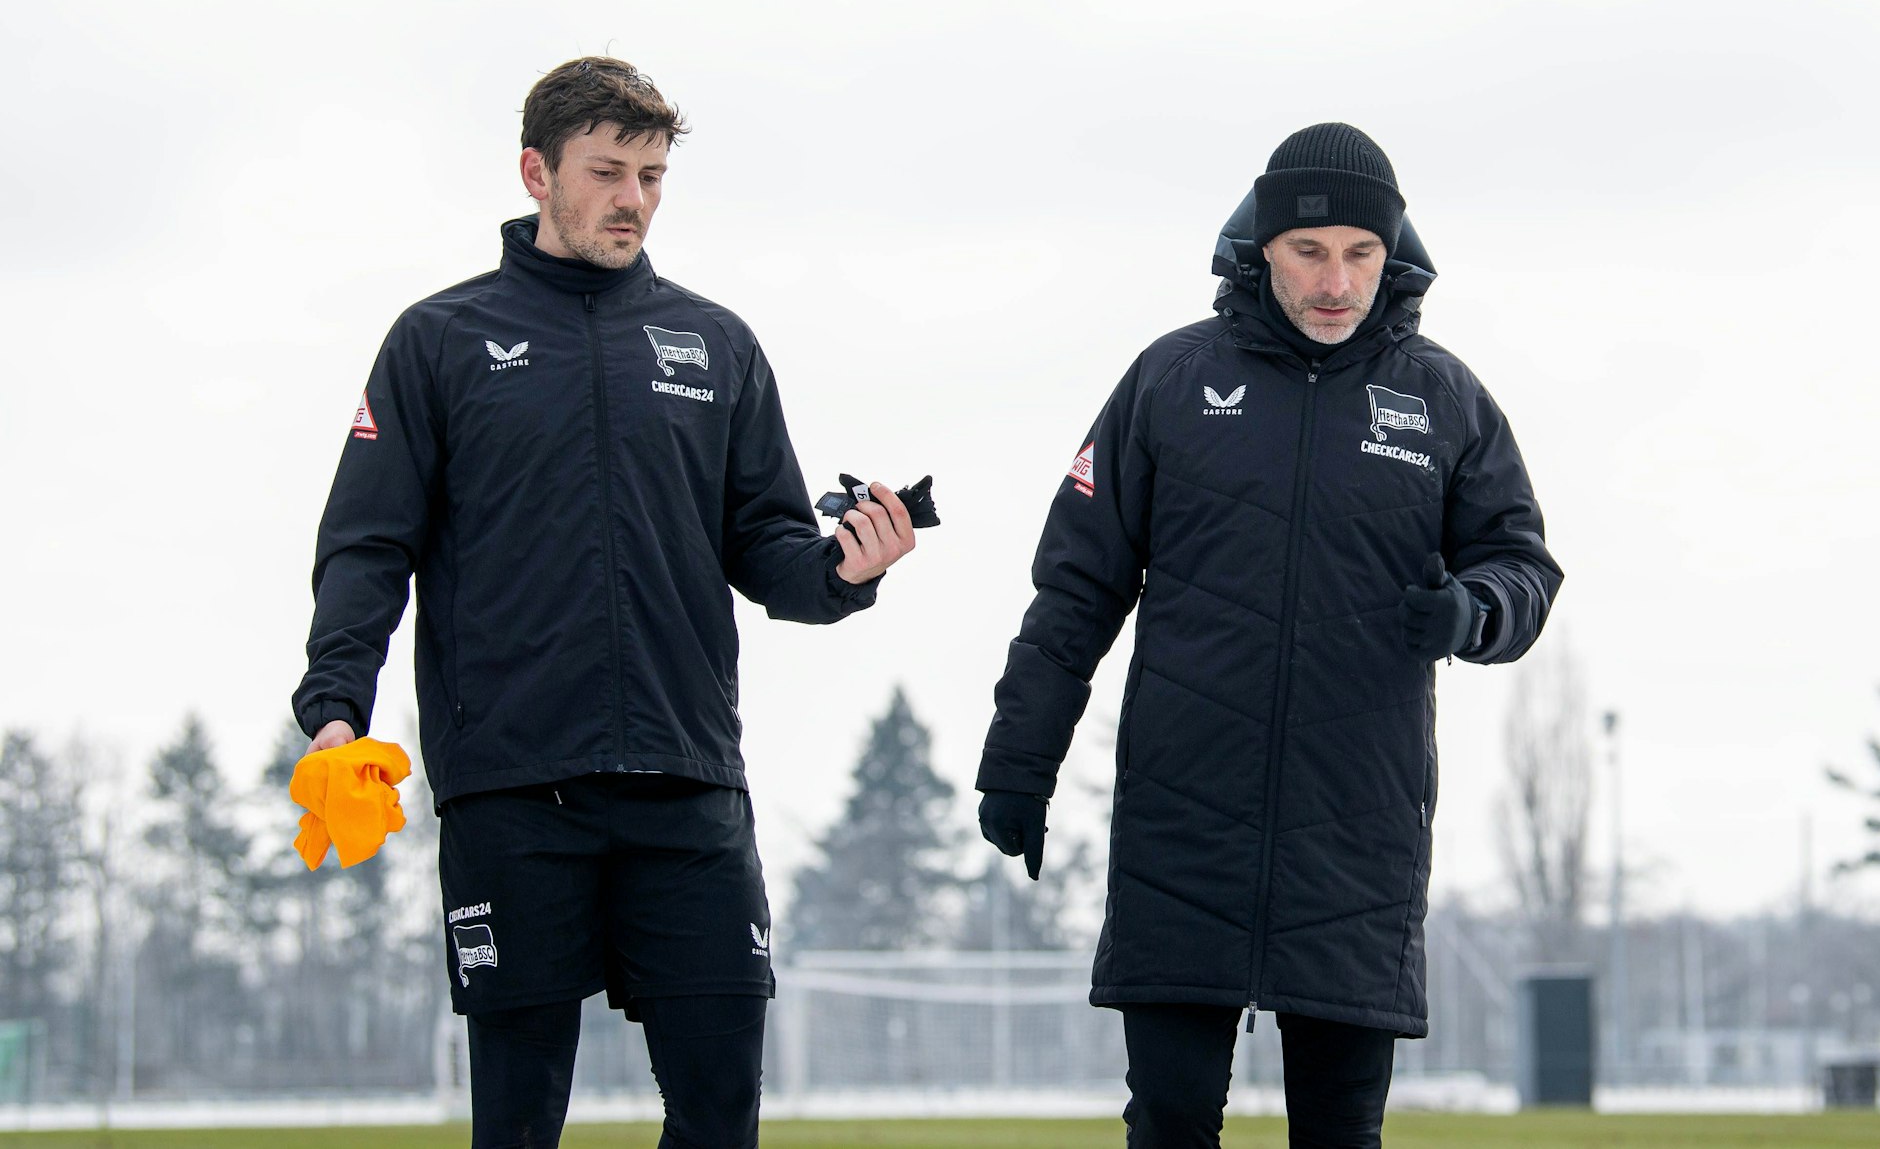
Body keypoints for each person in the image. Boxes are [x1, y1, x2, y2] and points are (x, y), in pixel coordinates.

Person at [291, 56, 916, 1148]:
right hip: (514, 789)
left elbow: (764, 542)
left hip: (687, 783)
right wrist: (335, 707)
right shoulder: (436, 342)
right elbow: (366, 544)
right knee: (520, 1121)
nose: (633, 198)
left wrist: (839, 572)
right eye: (607, 171)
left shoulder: (714, 344)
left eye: (653, 175)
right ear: (537, 171)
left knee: (721, 1108)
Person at [975, 123, 1562, 1148]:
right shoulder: (1167, 381)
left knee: (1340, 1131)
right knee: (1167, 1122)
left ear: (1392, 253)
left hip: (1354, 835)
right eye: (1308, 251)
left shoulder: (1442, 399)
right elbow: (1073, 590)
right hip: (1180, 828)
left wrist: (1475, 609)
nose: (1335, 281)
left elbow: (1523, 562)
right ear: (1259, 247)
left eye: (1359, 253)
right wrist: (1017, 765)